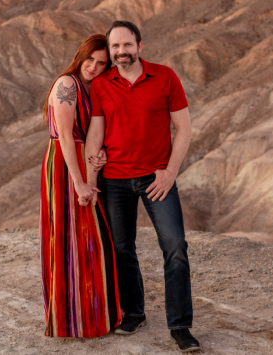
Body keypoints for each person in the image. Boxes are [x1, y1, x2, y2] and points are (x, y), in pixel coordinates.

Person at [83, 21, 200, 352]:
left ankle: (180, 327)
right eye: (115, 46)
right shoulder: (102, 85)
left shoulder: (165, 78)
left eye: (127, 45)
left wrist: (170, 172)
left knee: (175, 246)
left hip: (156, 179)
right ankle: (134, 313)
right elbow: (96, 133)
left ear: (140, 46)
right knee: (122, 249)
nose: (122, 51)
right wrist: (91, 183)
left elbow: (185, 129)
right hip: (115, 179)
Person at [39, 33, 122, 338]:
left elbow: (93, 136)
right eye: (90, 59)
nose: (94, 67)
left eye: (101, 63)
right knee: (67, 238)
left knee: (91, 238)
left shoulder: (93, 89)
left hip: (83, 166)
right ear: (81, 56)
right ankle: (70, 319)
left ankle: (93, 315)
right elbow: (63, 135)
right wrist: (78, 182)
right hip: (64, 166)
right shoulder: (67, 84)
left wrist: (97, 162)